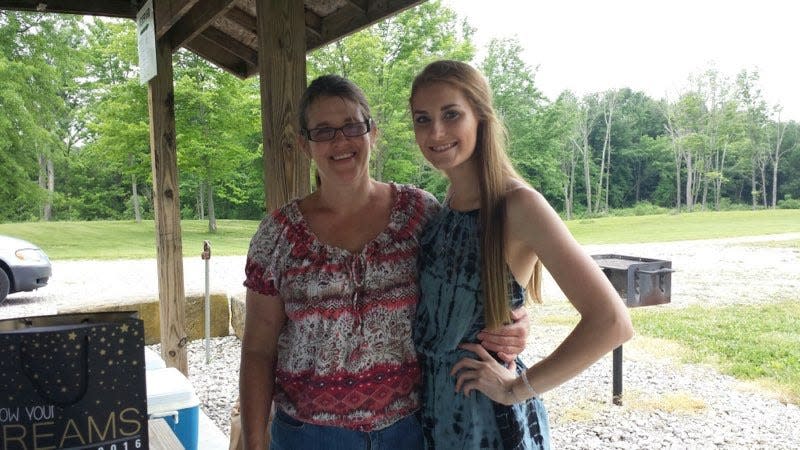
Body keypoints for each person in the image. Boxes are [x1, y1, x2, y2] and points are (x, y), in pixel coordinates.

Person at [239, 74, 530, 450]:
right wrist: (254, 441)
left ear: (372, 133)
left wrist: (511, 319)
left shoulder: (420, 213)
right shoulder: (277, 236)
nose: (340, 141)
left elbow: (466, 287)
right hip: (308, 436)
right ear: (303, 144)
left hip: (410, 431)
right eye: (323, 131)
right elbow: (258, 349)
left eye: (351, 126)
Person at [409, 60, 634, 449]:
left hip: (488, 425)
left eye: (451, 114)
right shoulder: (446, 204)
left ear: (480, 116)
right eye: (422, 119)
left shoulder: (518, 205)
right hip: (435, 417)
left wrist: (517, 389)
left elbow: (612, 321)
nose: (436, 132)